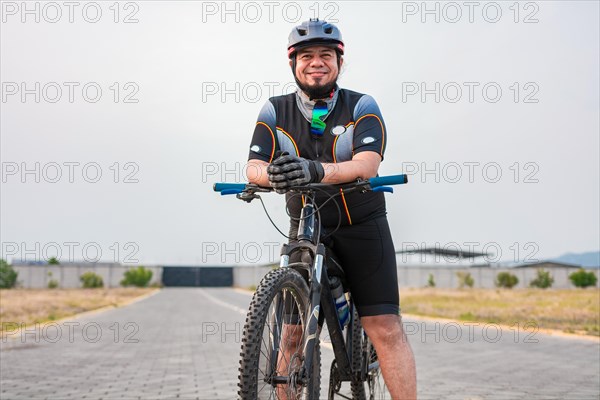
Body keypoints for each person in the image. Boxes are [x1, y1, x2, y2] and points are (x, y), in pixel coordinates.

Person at [246, 18, 417, 399]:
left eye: (326, 55)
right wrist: (272, 175)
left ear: (339, 62)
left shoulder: (362, 105)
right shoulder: (274, 111)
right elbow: (253, 167)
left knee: (384, 326)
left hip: (361, 222)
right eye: (306, 56)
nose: (316, 62)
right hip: (306, 225)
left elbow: (368, 163)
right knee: (290, 335)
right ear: (294, 64)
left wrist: (315, 169)